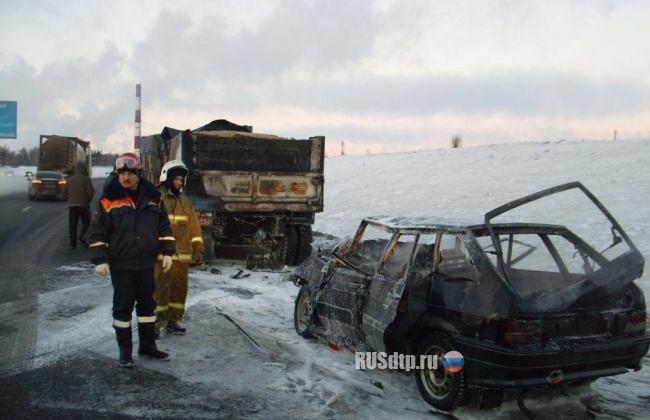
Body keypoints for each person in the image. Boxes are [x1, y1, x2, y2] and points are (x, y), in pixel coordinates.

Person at [87, 152, 176, 367]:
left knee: (147, 306)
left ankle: (148, 347)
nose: (125, 178)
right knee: (123, 309)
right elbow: (97, 232)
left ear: (138, 174)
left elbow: (164, 228)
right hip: (122, 265)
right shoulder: (108, 201)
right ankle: (125, 351)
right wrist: (99, 260)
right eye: (122, 173)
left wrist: (167, 252)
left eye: (130, 173)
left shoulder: (154, 199)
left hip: (146, 263)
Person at [154, 160, 204, 337]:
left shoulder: (185, 202)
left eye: (181, 180)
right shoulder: (156, 198)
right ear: (166, 177)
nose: (178, 183)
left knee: (179, 292)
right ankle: (156, 325)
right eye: (175, 179)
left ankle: (172, 321)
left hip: (182, 256)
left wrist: (198, 249)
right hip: (161, 257)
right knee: (160, 291)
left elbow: (194, 228)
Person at [64, 162, 94, 249]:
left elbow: (64, 192)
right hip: (83, 205)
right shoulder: (86, 179)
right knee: (86, 223)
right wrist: (87, 201)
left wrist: (69, 200)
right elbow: (90, 192)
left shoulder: (70, 179)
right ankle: (82, 237)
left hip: (72, 205)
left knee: (72, 224)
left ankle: (72, 244)